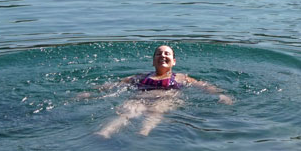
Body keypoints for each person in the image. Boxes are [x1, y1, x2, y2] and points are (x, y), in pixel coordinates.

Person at [86, 45, 232, 138]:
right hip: (139, 99)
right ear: (153, 61)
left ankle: (144, 131)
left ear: (174, 61)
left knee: (157, 110)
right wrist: (91, 93)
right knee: (128, 111)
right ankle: (105, 131)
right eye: (159, 54)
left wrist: (221, 94)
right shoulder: (140, 77)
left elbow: (204, 86)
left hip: (166, 98)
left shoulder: (181, 78)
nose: (163, 55)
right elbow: (113, 86)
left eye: (167, 54)